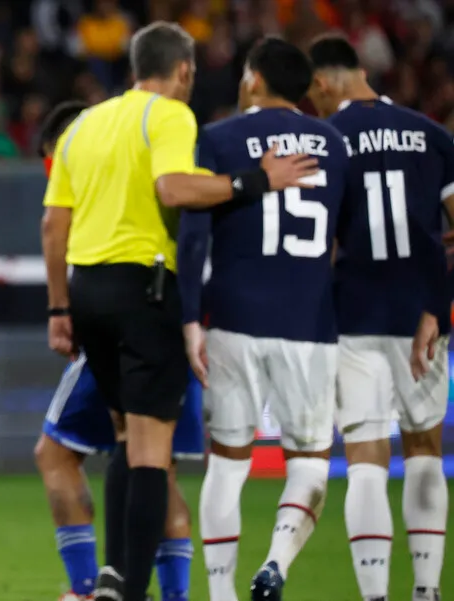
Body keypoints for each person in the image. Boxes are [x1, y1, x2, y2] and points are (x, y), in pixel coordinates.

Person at [41, 22, 316, 601]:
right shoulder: (168, 115)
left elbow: (53, 225)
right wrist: (255, 180)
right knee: (150, 452)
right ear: (184, 71)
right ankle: (131, 587)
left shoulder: (84, 123)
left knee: (123, 436)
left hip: (86, 292)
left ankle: (114, 577)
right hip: (144, 288)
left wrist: (59, 307)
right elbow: (174, 189)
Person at [178, 37, 349, 601]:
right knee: (310, 463)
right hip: (310, 322)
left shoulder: (221, 137)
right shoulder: (334, 142)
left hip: (234, 317)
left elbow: (195, 233)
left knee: (228, 463)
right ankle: (275, 563)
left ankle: (222, 593)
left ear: (252, 78)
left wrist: (190, 319)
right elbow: (344, 239)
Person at [34, 101, 205, 601]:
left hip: (117, 314)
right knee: (157, 462)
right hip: (166, 315)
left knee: (59, 453)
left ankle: (91, 588)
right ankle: (168, 593)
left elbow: (55, 229)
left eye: (52, 160)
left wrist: (60, 309)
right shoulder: (146, 157)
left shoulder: (90, 176)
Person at [308, 35, 452, 601]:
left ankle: (373, 596)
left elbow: (315, 242)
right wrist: (438, 307)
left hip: (356, 314)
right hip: (423, 319)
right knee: (424, 449)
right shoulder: (433, 135)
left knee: (366, 454)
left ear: (324, 83)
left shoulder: (328, 140)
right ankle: (427, 590)